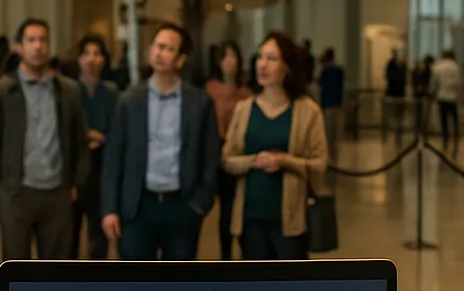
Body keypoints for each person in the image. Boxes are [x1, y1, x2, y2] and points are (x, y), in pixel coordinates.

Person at [101, 23, 221, 260]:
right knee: (136, 287)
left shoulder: (199, 102)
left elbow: (210, 156)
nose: (160, 53)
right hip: (138, 205)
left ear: (180, 59)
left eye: (168, 49)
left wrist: (199, 205)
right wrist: (110, 210)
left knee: (178, 288)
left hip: (182, 205)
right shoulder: (129, 101)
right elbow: (114, 157)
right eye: (157, 46)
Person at [0, 18, 92, 261]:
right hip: (18, 193)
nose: (38, 46)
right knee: (17, 268)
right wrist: (1, 192)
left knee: (55, 271)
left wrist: (75, 184)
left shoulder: (67, 91)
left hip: (57, 194)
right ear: (19, 47)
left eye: (43, 40)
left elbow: (80, 141)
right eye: (31, 40)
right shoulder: (3, 91)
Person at [222, 32, 329, 260]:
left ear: (287, 67)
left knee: (289, 289)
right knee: (255, 289)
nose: (263, 64)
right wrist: (253, 161)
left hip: (291, 219)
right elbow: (228, 158)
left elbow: (320, 164)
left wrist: (284, 160)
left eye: (272, 58)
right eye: (260, 57)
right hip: (250, 216)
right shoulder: (244, 109)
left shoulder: (307, 111)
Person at [203, 40, 251, 261]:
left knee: (241, 209)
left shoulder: (246, 91)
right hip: (218, 154)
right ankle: (225, 256)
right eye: (225, 56)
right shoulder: (211, 90)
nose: (229, 61)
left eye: (233, 56)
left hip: (242, 155)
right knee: (225, 209)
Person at [71, 35, 119, 259]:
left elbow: (119, 130)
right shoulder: (69, 90)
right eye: (87, 53)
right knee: (68, 235)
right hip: (74, 170)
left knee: (98, 238)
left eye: (97, 53)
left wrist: (104, 138)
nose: (92, 59)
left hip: (102, 169)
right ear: (79, 59)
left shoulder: (111, 93)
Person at [317, 48, 345, 162]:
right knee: (335, 133)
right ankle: (334, 157)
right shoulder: (339, 70)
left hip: (327, 104)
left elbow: (320, 86)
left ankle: (328, 157)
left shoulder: (325, 71)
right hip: (337, 104)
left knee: (327, 133)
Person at [430, 49, 462, 146]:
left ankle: (445, 139)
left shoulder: (437, 67)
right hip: (453, 97)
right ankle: (456, 137)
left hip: (442, 96)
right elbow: (459, 83)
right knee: (454, 119)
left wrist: (432, 92)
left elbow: (434, 82)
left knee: (444, 121)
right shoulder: (456, 67)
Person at [384, 49, 408, 140]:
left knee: (399, 112)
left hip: (400, 92)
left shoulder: (403, 66)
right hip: (393, 92)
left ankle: (399, 129)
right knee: (392, 112)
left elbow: (403, 78)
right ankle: (392, 129)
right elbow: (389, 77)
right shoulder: (391, 65)